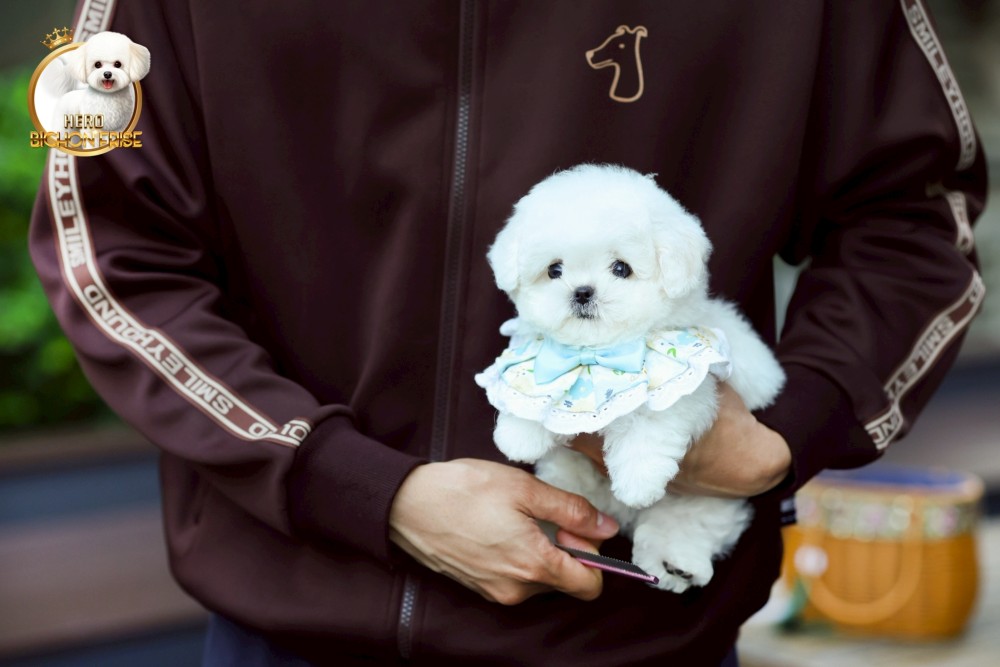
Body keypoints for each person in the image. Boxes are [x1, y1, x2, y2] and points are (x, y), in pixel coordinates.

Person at [30, 1, 987, 665]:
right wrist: (357, 486)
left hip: (639, 629)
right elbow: (109, 246)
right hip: (289, 625)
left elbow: (914, 214)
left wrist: (787, 429)